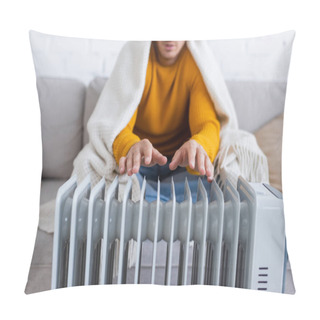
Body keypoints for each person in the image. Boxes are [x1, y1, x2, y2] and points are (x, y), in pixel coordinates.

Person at [112, 41, 220, 201]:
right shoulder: (135, 58)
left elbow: (208, 125)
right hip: (141, 164)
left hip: (180, 165)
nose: (170, 38)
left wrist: (198, 146)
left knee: (211, 185)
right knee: (119, 182)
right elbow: (117, 124)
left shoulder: (197, 63)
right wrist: (132, 147)